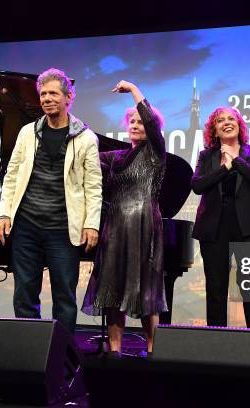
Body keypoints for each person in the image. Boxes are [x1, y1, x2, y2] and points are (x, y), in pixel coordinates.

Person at [0, 68, 101, 334]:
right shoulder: (27, 133)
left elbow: (93, 186)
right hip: (26, 226)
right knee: (24, 295)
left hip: (63, 229)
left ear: (68, 97)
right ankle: (29, 351)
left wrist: (92, 224)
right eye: (43, 94)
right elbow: (11, 176)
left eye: (53, 93)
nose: (47, 98)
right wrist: (4, 214)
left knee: (64, 297)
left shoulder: (86, 138)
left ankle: (61, 355)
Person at [82, 80, 167, 354]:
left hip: (143, 226)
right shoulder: (115, 158)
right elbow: (86, 158)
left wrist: (132, 90)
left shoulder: (155, 153)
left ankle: (153, 349)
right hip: (115, 226)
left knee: (146, 289)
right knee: (111, 287)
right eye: (131, 121)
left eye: (139, 121)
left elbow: (151, 121)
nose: (135, 124)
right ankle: (115, 349)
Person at [191, 106, 250, 329]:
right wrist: (224, 167)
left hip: (249, 228)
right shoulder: (206, 156)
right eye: (220, 120)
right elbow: (197, 185)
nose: (226, 122)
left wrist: (237, 161)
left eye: (231, 119)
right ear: (214, 130)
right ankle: (217, 342)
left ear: (239, 125)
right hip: (214, 229)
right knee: (216, 288)